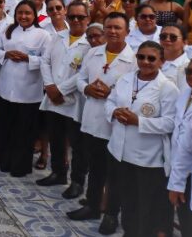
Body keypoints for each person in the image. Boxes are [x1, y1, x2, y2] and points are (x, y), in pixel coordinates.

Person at [68, 13, 135, 232]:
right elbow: (80, 78)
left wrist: (110, 93)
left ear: (127, 31)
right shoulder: (94, 53)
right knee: (95, 167)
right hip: (92, 119)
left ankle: (111, 214)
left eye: (118, 27)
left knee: (113, 174)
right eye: (109, 27)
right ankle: (93, 205)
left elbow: (134, 92)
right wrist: (87, 88)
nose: (113, 31)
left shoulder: (133, 59)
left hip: (115, 125)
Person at [105, 40, 178, 237]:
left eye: (151, 58)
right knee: (128, 200)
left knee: (146, 205)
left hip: (147, 158)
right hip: (120, 151)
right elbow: (110, 100)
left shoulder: (167, 88)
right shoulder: (125, 78)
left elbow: (171, 123)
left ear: (161, 61)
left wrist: (139, 121)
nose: (145, 62)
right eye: (141, 57)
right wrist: (114, 111)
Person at [36, 0, 92, 197]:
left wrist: (60, 89)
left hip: (74, 100)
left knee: (78, 143)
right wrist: (50, 86)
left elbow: (84, 72)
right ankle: (58, 172)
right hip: (52, 96)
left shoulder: (90, 44)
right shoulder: (58, 37)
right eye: (72, 17)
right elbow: (45, 61)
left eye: (81, 17)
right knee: (55, 137)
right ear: (67, 17)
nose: (76, 20)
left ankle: (77, 181)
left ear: (88, 19)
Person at [0, 0, 49, 177]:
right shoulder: (8, 30)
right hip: (6, 87)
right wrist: (6, 54)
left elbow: (47, 61)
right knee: (5, 127)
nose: (23, 16)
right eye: (20, 13)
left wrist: (28, 59)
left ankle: (21, 166)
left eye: (27, 13)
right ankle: (5, 161)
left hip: (29, 91)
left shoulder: (42, 35)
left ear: (34, 15)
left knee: (24, 131)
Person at [168, 56, 192, 234]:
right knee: (190, 226)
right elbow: (184, 147)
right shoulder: (184, 94)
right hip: (188, 175)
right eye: (189, 71)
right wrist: (177, 184)